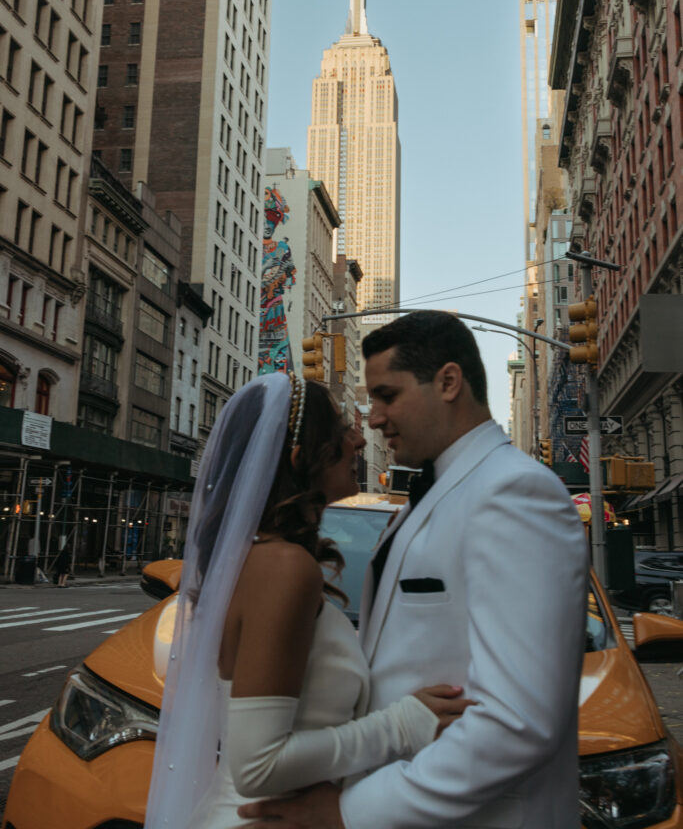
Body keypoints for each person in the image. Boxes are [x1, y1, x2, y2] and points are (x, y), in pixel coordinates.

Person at [239, 311, 590, 829]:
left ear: (448, 382)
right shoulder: (427, 499)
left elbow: (517, 720)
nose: (374, 418)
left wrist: (349, 811)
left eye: (387, 395)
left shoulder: (515, 493)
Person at [144, 370, 471, 829]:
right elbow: (258, 766)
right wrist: (403, 724)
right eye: (341, 431)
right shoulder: (283, 567)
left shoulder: (255, 559)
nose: (359, 440)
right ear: (301, 458)